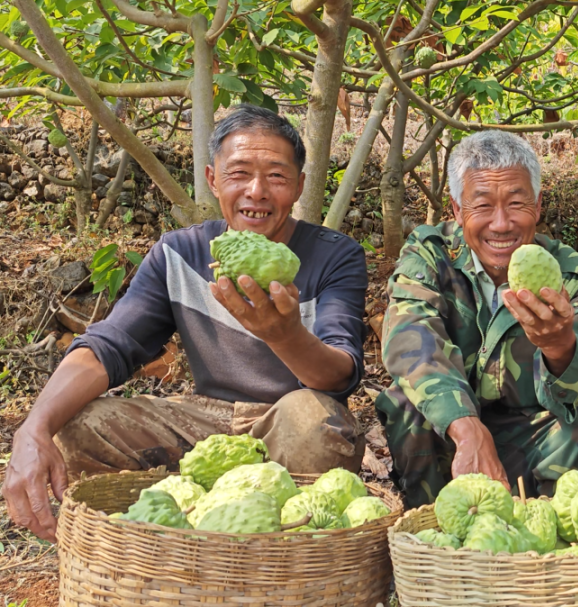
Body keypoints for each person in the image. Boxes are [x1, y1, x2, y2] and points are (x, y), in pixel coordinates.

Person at [2, 105, 370, 541]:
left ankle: (272, 550)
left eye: (275, 176)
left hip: (286, 422)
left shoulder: (336, 256)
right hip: (202, 423)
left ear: (300, 186)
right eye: (239, 174)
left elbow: (339, 376)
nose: (257, 191)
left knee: (317, 424)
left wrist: (283, 335)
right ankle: (157, 538)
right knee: (78, 428)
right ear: (213, 180)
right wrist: (34, 427)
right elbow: (111, 344)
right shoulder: (178, 253)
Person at [376, 130, 578, 508]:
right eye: (482, 205)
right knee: (408, 405)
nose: (501, 224)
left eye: (516, 204)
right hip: (451, 438)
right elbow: (410, 339)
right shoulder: (431, 256)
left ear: (539, 204)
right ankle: (431, 528)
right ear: (457, 210)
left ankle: (548, 539)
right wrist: (466, 427)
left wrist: (561, 348)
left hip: (532, 438)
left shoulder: (570, 274)